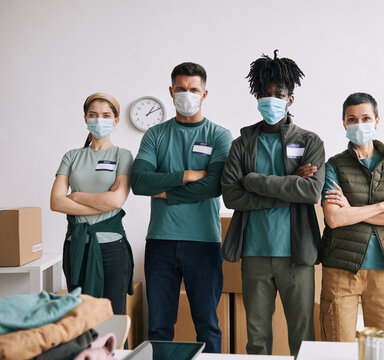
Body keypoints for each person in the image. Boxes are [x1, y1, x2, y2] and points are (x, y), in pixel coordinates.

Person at [221, 50, 325, 357]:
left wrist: (252, 180)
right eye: (265, 95)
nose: (272, 100)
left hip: (297, 255)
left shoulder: (309, 142)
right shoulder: (241, 144)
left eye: (278, 94)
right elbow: (231, 196)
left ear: (290, 99)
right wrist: (290, 184)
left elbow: (310, 193)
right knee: (256, 339)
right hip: (254, 252)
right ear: (256, 98)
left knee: (303, 337)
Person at [130, 62, 232, 353]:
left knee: (207, 325)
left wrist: (167, 193)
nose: (187, 94)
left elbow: (214, 186)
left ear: (205, 93)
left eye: (194, 90)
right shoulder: (155, 135)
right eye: (181, 89)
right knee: (159, 326)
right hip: (160, 242)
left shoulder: (219, 135)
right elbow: (139, 182)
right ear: (170, 91)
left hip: (204, 242)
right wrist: (184, 176)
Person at [319, 92, 384, 342]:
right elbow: (334, 219)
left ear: (377, 120)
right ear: (344, 123)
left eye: (366, 117)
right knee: (338, 346)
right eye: (352, 119)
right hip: (341, 268)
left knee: (381, 348)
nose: (359, 124)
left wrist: (353, 211)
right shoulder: (333, 165)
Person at [50, 92, 134, 315]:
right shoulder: (72, 156)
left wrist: (77, 197)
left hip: (112, 248)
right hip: (77, 246)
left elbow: (116, 200)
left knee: (113, 315)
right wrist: (102, 202)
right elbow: (56, 203)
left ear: (116, 121)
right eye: (93, 114)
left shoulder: (122, 156)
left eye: (106, 115)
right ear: (85, 119)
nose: (99, 120)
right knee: (81, 315)